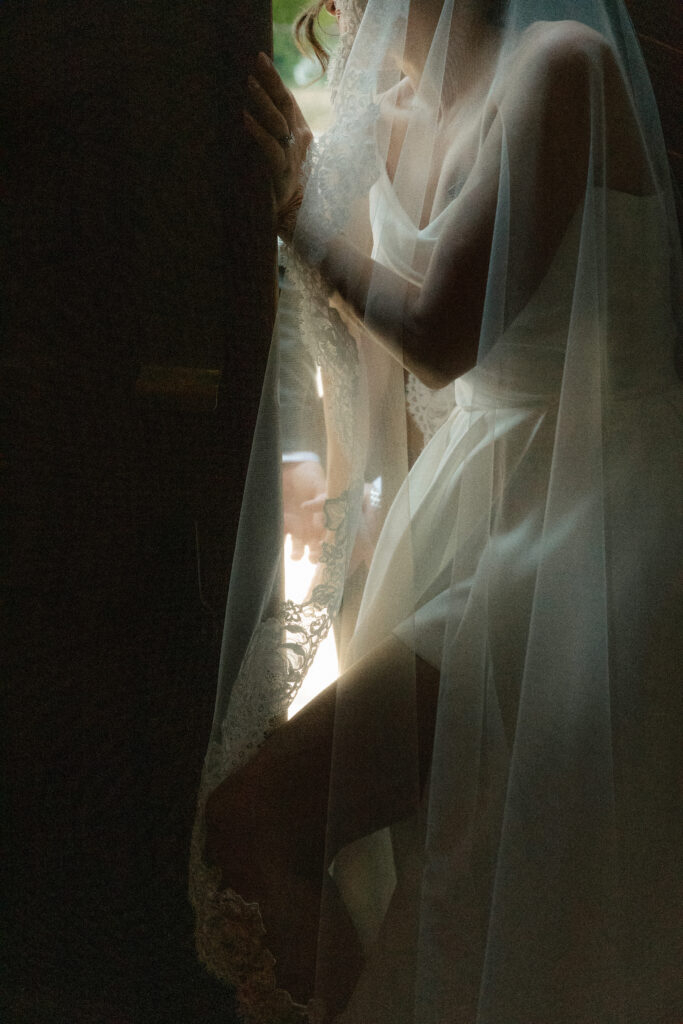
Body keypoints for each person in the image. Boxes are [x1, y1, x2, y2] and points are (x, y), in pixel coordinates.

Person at [191, 1, 683, 1021]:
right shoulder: (390, 109)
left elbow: (439, 332)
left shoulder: (561, 66)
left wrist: (302, 223)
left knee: (272, 815)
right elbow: (389, 380)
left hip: (588, 523)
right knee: (412, 867)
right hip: (475, 504)